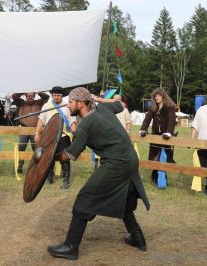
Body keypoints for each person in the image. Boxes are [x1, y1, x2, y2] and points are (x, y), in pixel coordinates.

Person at [47, 87, 150, 260]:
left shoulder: (85, 125)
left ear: (80, 103)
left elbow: (69, 155)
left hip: (116, 163)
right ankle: (137, 238)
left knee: (85, 198)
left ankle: (71, 246)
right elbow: (120, 104)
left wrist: (49, 157)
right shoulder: (104, 107)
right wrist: (99, 100)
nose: (68, 105)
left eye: (71, 102)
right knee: (123, 198)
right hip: (131, 159)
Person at [35, 86, 76, 189]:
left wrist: (75, 134)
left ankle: (66, 180)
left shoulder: (68, 106)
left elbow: (72, 122)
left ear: (62, 96)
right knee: (49, 158)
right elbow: (41, 120)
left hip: (63, 136)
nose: (56, 97)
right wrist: (37, 132)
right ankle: (50, 177)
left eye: (59, 95)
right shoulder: (47, 106)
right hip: (49, 137)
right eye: (55, 95)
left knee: (64, 158)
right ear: (52, 95)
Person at [139, 88, 176, 185]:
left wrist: (169, 132)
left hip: (166, 136)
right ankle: (154, 175)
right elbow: (147, 119)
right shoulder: (153, 107)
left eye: (159, 96)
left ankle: (162, 178)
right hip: (155, 135)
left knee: (163, 157)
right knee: (154, 157)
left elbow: (172, 121)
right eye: (155, 96)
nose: (157, 97)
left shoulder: (170, 107)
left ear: (163, 96)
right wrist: (143, 129)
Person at [12, 92, 49, 173]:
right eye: (28, 96)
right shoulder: (21, 103)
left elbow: (46, 97)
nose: (30, 97)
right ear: (26, 96)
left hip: (35, 129)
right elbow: (14, 96)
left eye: (32, 96)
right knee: (21, 147)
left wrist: (38, 91)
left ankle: (37, 166)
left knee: (36, 148)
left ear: (34, 96)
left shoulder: (39, 103)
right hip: (24, 129)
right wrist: (24, 91)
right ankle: (20, 166)